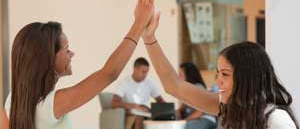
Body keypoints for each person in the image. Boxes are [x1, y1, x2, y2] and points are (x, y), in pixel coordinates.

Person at [1, 0, 155, 129]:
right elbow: (109, 73)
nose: (72, 53)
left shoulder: (12, 100)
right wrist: (139, 24)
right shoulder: (51, 105)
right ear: (49, 59)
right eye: (67, 49)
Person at [141, 12, 300, 129]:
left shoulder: (276, 120)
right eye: (218, 73)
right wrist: (149, 39)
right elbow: (174, 86)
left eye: (225, 74)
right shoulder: (230, 108)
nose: (218, 81)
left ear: (246, 78)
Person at [112, 57, 165, 129]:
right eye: (143, 72)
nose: (145, 75)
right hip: (132, 114)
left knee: (162, 119)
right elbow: (115, 103)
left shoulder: (149, 82)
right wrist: (135, 106)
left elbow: (160, 100)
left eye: (146, 72)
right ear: (135, 69)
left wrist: (168, 110)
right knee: (139, 118)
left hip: (147, 113)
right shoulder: (124, 82)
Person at [177, 62, 216, 129]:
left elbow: (200, 112)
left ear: (188, 75)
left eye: (180, 74)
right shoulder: (188, 89)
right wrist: (177, 111)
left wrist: (185, 120)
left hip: (205, 119)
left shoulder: (198, 87)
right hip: (196, 119)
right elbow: (184, 106)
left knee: (184, 127)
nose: (179, 77)